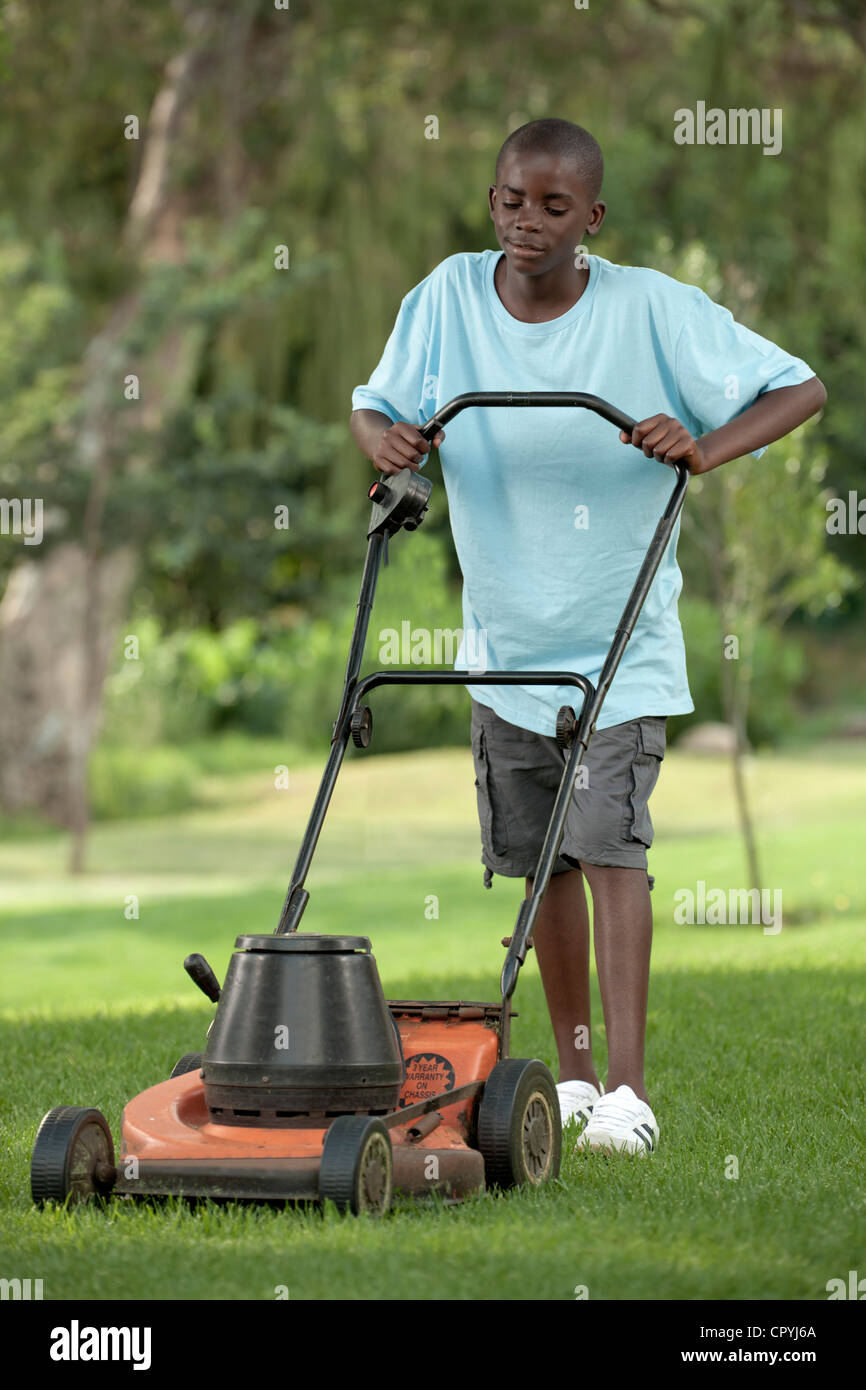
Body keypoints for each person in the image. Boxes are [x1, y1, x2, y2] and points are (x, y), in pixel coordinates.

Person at [349, 117, 826, 1156]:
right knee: (542, 865)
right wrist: (388, 447)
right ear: (491, 200)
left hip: (619, 641)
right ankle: (566, 1084)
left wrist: (701, 446)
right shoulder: (442, 299)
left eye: (553, 208)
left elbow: (798, 386)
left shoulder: (649, 309)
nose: (527, 223)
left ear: (591, 218)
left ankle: (626, 1093)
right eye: (511, 200)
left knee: (609, 848)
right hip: (502, 644)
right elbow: (375, 408)